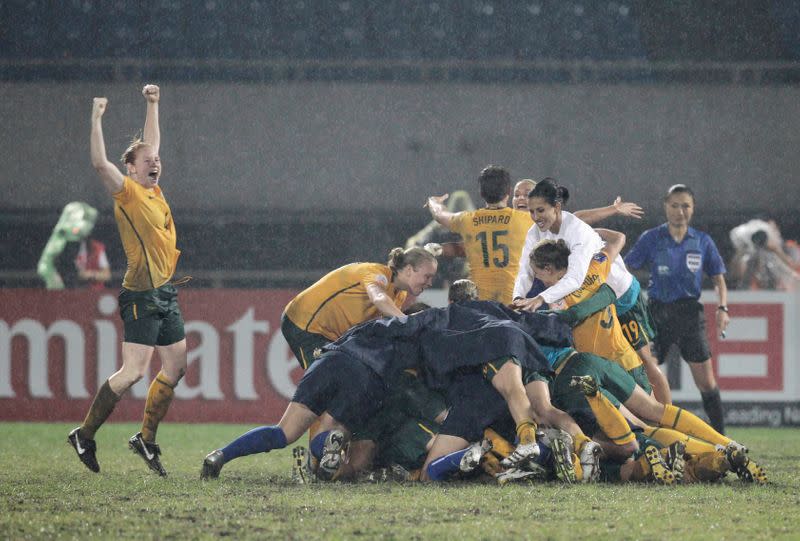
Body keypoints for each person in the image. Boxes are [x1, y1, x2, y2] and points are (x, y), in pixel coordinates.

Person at [68, 84, 187, 477]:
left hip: (166, 291)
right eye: (146, 161)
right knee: (134, 371)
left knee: (176, 366)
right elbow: (101, 164)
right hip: (141, 294)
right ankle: (84, 434)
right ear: (132, 169)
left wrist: (153, 103)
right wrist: (96, 118)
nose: (154, 163)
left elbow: (151, 143)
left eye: (157, 160)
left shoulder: (154, 187)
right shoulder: (130, 192)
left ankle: (145, 440)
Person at [512, 178, 671, 404]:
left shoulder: (577, 233)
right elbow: (525, 270)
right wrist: (517, 297)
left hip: (619, 294)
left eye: (540, 210)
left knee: (643, 361)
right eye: (532, 211)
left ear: (556, 207)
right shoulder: (536, 231)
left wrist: (540, 298)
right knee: (605, 363)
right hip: (590, 299)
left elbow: (575, 279)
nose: (535, 217)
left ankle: (666, 417)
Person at [624, 184, 730, 434]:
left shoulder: (702, 241)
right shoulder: (651, 238)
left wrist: (723, 308)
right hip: (656, 313)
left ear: (692, 208)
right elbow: (625, 268)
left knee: (706, 382)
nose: (680, 211)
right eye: (675, 205)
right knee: (643, 375)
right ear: (665, 207)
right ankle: (648, 434)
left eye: (685, 206)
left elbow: (718, 279)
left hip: (689, 314)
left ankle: (723, 440)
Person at [281, 247, 438, 370]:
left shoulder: (399, 294)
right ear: (409, 270)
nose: (430, 283)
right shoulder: (377, 273)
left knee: (343, 382)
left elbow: (386, 334)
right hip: (304, 324)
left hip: (330, 337)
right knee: (328, 381)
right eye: (427, 276)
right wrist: (409, 322)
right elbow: (378, 298)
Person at [426, 165, 533, 304]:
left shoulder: (468, 220)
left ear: (481, 193)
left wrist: (433, 202)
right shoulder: (526, 221)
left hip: (480, 304)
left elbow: (439, 215)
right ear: (508, 192)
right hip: (513, 303)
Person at [37, 201, 110, 289]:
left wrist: (89, 275)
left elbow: (107, 275)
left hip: (92, 294)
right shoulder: (59, 245)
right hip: (67, 291)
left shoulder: (96, 248)